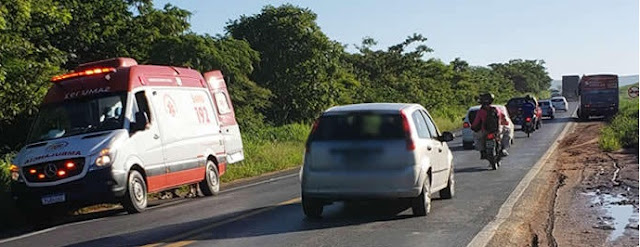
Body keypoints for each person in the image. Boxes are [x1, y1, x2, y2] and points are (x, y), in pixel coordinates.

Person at [471, 93, 510, 159]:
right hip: (497, 131)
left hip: (485, 131)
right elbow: (505, 120)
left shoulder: (481, 111)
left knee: (477, 137)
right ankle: (503, 149)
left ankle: (482, 151)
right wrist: (505, 123)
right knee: (507, 132)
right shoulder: (497, 109)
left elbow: (476, 122)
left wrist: (473, 127)